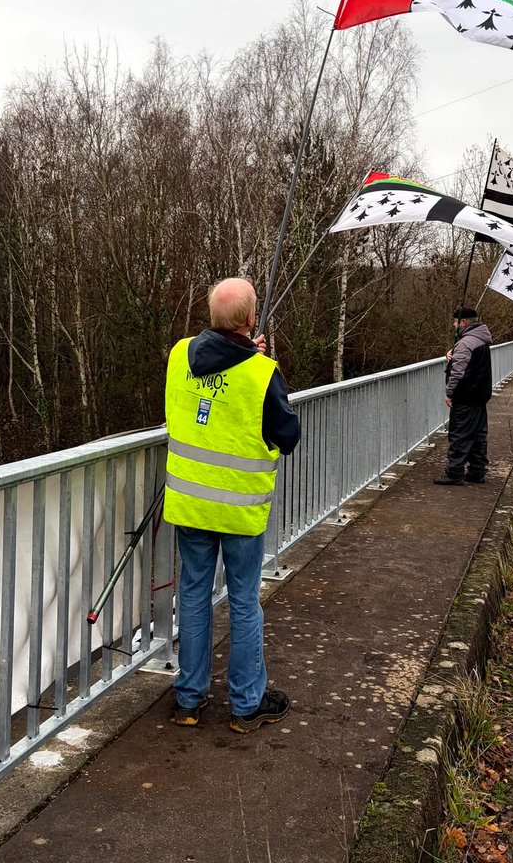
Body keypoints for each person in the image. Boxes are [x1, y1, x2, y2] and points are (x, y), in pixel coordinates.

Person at [163, 277, 301, 733]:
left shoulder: (180, 355)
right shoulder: (263, 373)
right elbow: (287, 437)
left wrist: (245, 355)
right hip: (240, 511)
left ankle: (188, 700)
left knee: (194, 596)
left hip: (190, 506)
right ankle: (245, 705)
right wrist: (255, 365)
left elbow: (200, 395)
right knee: (243, 601)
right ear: (249, 319)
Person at [434, 306, 493, 486]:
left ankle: (455, 472)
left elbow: (458, 373)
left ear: (464, 322)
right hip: (480, 395)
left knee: (459, 434)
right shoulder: (481, 339)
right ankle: (477, 470)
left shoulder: (465, 343)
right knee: (477, 434)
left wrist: (450, 393)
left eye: (455, 321)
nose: (453, 324)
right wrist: (451, 355)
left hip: (465, 396)